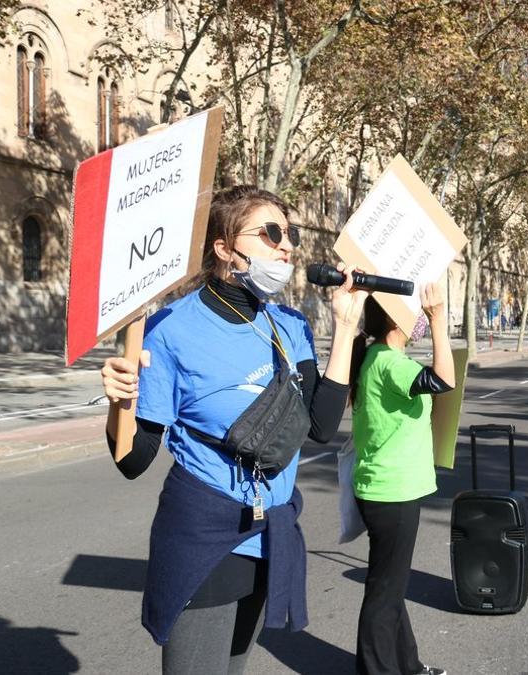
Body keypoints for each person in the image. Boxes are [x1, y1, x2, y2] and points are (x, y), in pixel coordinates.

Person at [99, 185, 364, 674]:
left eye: (291, 235)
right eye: (271, 233)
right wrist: (121, 402)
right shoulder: (169, 330)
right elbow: (133, 460)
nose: (287, 246)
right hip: (204, 532)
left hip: (271, 531)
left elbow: (322, 427)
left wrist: (345, 328)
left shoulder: (290, 325)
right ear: (224, 248)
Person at [348, 281, 453, 675]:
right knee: (384, 592)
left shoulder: (378, 356)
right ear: (398, 320)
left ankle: (407, 666)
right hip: (392, 491)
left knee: (390, 587)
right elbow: (444, 380)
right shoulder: (390, 362)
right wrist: (438, 320)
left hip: (388, 488)